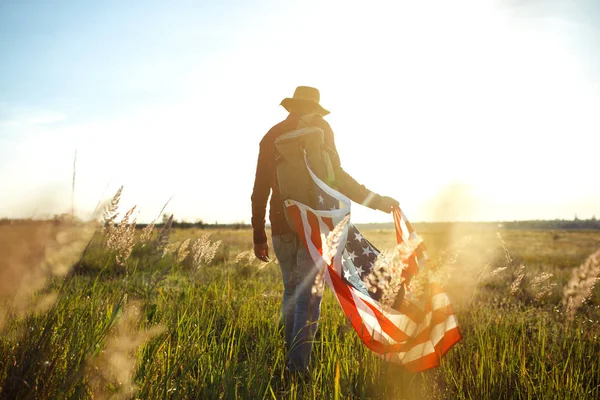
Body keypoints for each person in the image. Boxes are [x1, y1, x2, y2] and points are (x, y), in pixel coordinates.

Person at [251, 86, 399, 375]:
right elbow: (339, 179)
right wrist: (378, 202)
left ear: (291, 106)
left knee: (293, 293)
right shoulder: (321, 129)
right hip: (315, 226)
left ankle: (292, 361)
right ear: (314, 107)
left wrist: (259, 234)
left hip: (282, 226)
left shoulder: (271, 136)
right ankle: (297, 370)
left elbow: (260, 189)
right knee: (309, 299)